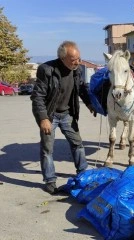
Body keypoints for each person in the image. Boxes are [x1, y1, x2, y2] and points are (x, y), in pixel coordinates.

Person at [31, 41, 96, 194]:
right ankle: (50, 181)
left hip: (68, 114)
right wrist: (43, 118)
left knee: (78, 144)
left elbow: (82, 89)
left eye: (79, 58)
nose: (78, 62)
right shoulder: (46, 70)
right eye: (74, 60)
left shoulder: (77, 70)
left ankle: (83, 174)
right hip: (50, 115)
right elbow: (37, 97)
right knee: (47, 149)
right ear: (62, 58)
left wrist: (90, 104)